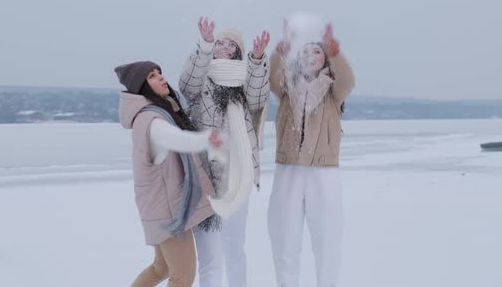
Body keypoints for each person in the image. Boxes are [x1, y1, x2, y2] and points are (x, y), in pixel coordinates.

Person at [179, 17, 271, 287]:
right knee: (210, 254)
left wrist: (256, 59)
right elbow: (187, 84)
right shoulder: (202, 80)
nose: (222, 46)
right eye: (218, 42)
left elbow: (257, 96)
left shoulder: (243, 83)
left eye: (228, 44)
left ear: (237, 52)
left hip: (237, 176)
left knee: (234, 248)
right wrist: (205, 45)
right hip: (205, 176)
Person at [115, 60, 222, 287]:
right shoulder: (151, 120)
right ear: (142, 87)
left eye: (159, 72)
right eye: (152, 76)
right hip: (167, 212)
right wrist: (206, 140)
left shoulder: (160, 112)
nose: (161, 77)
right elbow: (174, 138)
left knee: (161, 267)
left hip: (158, 206)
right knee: (183, 276)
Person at [267, 21, 355, 287]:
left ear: (325, 59)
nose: (309, 55)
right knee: (285, 244)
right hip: (288, 171)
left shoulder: (333, 91)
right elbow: (272, 78)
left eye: (316, 52)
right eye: (304, 52)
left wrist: (335, 50)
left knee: (327, 245)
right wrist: (279, 52)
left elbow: (349, 81)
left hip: (323, 172)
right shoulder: (286, 88)